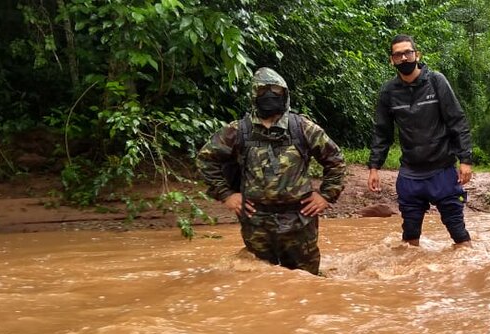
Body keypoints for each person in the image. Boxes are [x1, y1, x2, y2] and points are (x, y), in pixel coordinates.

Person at [197, 67, 346, 275]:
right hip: (256, 221)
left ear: (284, 94)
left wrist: (326, 195)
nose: (269, 95)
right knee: (259, 281)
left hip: (299, 220)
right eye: (262, 91)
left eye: (275, 90)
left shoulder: (302, 127)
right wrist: (226, 195)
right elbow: (206, 159)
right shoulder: (238, 130)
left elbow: (335, 160)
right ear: (253, 95)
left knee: (308, 282)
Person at [367, 34, 474, 247]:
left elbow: (456, 121)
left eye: (408, 52)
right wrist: (374, 167)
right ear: (392, 60)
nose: (404, 58)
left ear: (417, 54)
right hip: (410, 173)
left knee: (458, 231)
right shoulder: (389, 92)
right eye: (398, 55)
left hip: (442, 168)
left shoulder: (436, 81)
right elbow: (382, 132)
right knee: (409, 236)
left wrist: (465, 159)